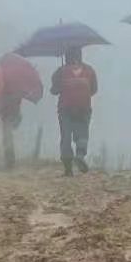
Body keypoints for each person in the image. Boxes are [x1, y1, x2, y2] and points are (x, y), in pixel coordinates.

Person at [50, 47, 99, 175]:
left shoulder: (61, 71)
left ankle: (68, 169)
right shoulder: (89, 70)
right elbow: (94, 90)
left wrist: (61, 82)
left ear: (66, 57)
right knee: (82, 133)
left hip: (65, 108)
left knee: (66, 136)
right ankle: (80, 155)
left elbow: (54, 90)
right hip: (84, 107)